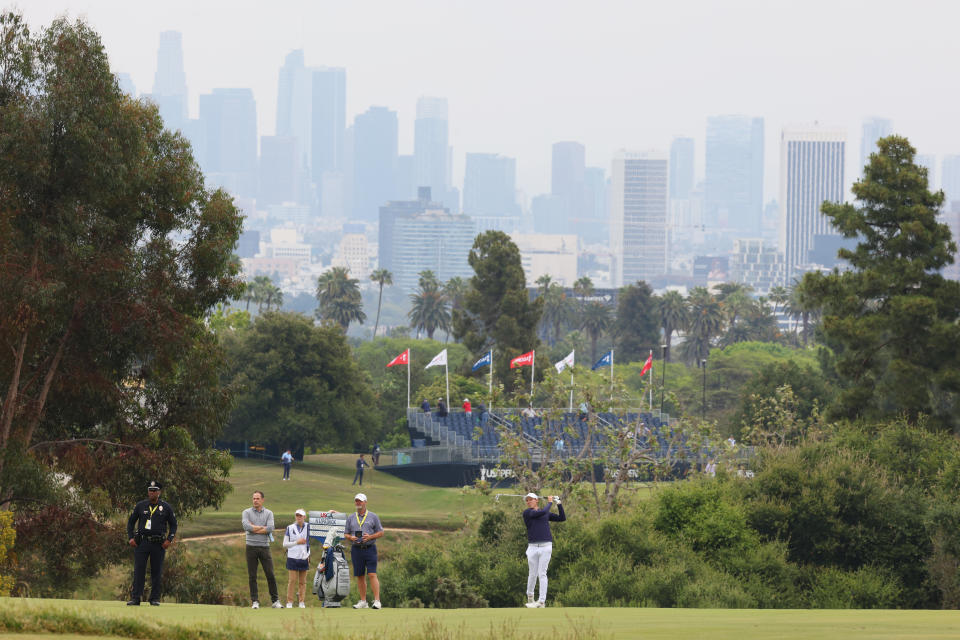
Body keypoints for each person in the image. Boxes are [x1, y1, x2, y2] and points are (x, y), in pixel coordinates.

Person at [126, 480, 177, 606]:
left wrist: (169, 540)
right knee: (139, 571)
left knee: (156, 571)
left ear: (159, 492)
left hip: (158, 544)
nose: (152, 493)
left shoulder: (165, 507)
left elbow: (174, 525)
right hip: (142, 543)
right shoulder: (141, 505)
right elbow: (131, 522)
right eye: (150, 490)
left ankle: (154, 599)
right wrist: (131, 537)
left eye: (154, 490)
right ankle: (136, 598)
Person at [522, 492, 566, 608]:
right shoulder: (528, 513)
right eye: (527, 500)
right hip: (532, 548)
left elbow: (562, 518)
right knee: (532, 573)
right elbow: (542, 512)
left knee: (542, 574)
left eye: (531, 499)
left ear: (537, 500)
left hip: (546, 546)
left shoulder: (545, 513)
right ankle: (530, 597)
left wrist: (559, 504)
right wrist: (550, 502)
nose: (529, 502)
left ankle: (541, 602)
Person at [242, 490, 281, 609]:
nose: (255, 500)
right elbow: (246, 526)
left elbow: (270, 528)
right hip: (251, 546)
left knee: (270, 574)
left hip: (264, 547)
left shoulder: (269, 513)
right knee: (252, 576)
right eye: (254, 498)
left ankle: (275, 601)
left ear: (262, 500)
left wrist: (254, 528)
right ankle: (255, 601)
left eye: (258, 498)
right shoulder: (246, 512)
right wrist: (260, 528)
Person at [344, 493, 384, 609]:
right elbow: (346, 533)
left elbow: (381, 532)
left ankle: (377, 601)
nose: (358, 503)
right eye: (356, 501)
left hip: (370, 549)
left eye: (360, 501)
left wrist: (370, 537)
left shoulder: (373, 516)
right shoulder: (351, 517)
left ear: (365, 502)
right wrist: (350, 537)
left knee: (372, 574)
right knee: (360, 576)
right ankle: (363, 601)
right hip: (356, 549)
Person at [283, 508, 310, 608]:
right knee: (292, 580)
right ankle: (289, 601)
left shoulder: (308, 526)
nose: (299, 517)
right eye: (297, 515)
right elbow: (285, 544)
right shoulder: (290, 528)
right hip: (292, 557)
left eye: (301, 516)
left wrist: (329, 513)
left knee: (302, 582)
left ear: (304, 517)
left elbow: (320, 522)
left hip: (304, 556)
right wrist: (296, 542)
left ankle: (301, 601)